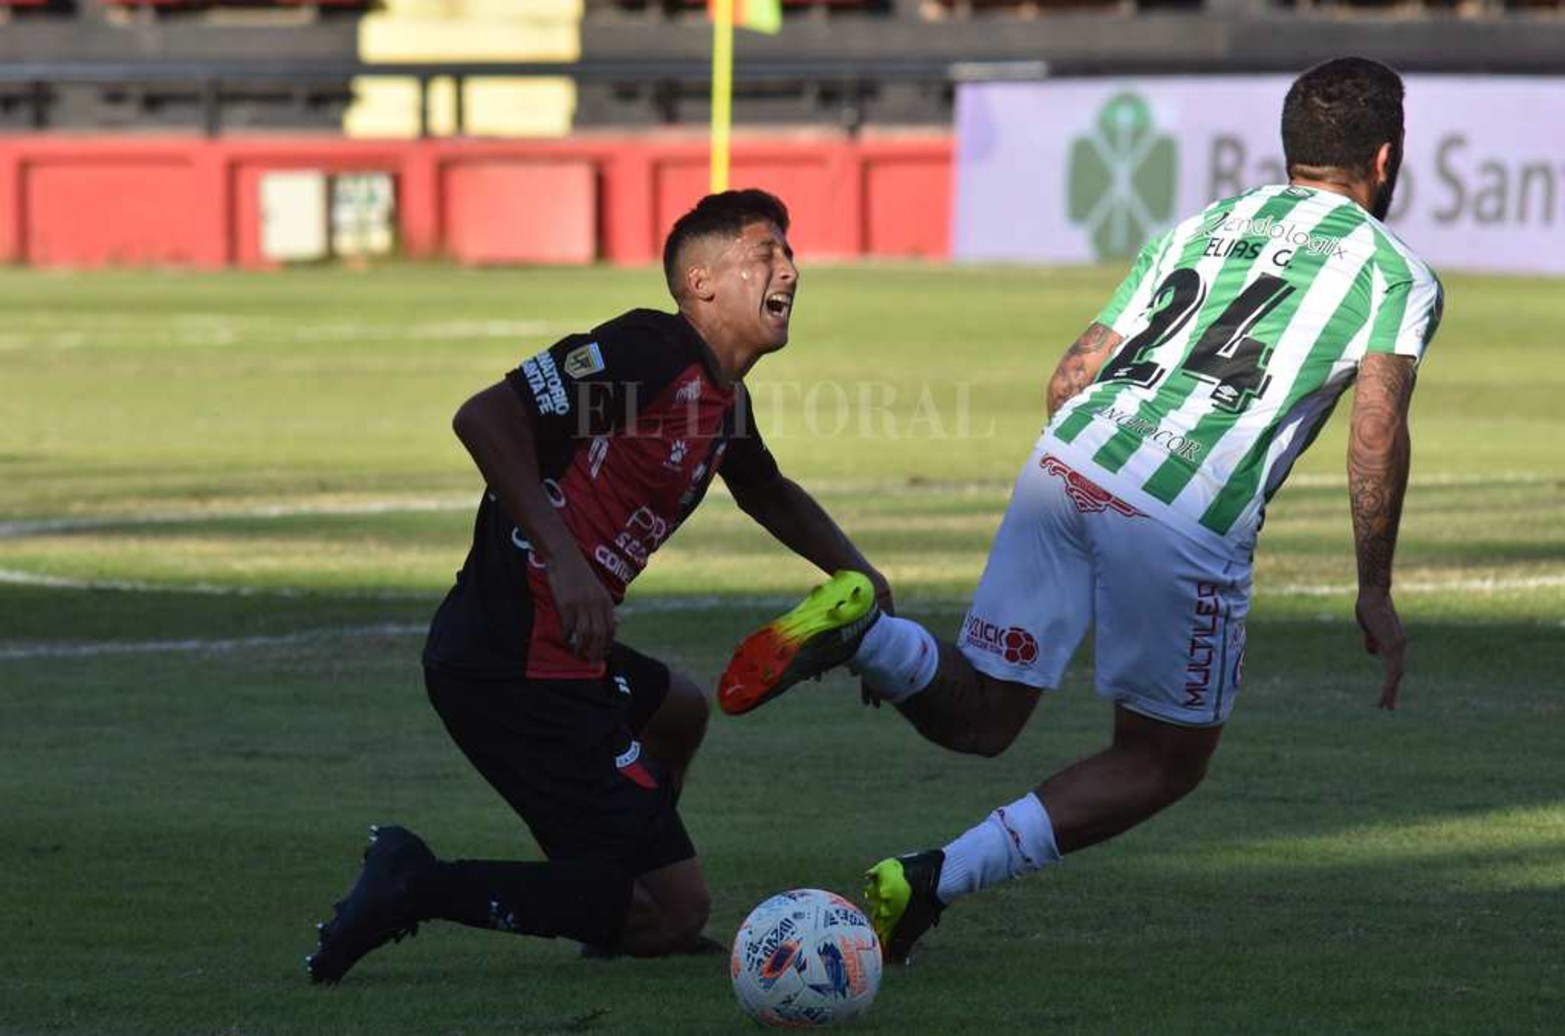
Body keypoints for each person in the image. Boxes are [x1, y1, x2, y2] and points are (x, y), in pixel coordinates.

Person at [718, 57, 1442, 964]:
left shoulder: (1200, 227)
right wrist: (1373, 587)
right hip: (1182, 516)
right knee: (1163, 760)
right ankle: (931, 879)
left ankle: (866, 637)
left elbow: (1070, 376)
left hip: (1069, 458)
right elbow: (1373, 429)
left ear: (1290, 148)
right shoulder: (1393, 272)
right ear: (1384, 159)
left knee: (983, 715)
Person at [307, 188, 889, 984]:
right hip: (514, 663)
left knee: (677, 709)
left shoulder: (724, 403)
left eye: (789, 252)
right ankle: (421, 883)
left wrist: (860, 577)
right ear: (702, 283)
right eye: (767, 253)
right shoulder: (648, 351)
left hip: (557, 653)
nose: (790, 268)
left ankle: (607, 898)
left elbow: (765, 488)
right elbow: (484, 417)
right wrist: (564, 559)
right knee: (678, 915)